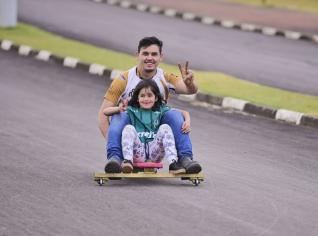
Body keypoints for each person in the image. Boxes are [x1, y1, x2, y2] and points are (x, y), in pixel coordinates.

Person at [98, 36, 202, 174]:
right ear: (138, 55)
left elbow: (190, 90)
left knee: (173, 115)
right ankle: (115, 158)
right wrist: (117, 145)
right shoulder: (123, 79)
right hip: (132, 134)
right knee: (119, 114)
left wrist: (189, 82)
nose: (149, 58)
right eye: (145, 54)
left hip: (155, 134)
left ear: (161, 57)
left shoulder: (165, 77)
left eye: (154, 54)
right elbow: (103, 114)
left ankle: (185, 158)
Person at [103, 80, 189, 174]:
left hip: (154, 153)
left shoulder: (160, 109)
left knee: (165, 127)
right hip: (138, 153)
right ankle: (127, 162)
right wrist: (118, 109)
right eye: (142, 96)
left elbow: (183, 112)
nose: (146, 99)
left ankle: (173, 164)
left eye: (149, 95)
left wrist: (187, 121)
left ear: (156, 98)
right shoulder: (132, 110)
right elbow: (106, 111)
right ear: (137, 98)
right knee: (128, 128)